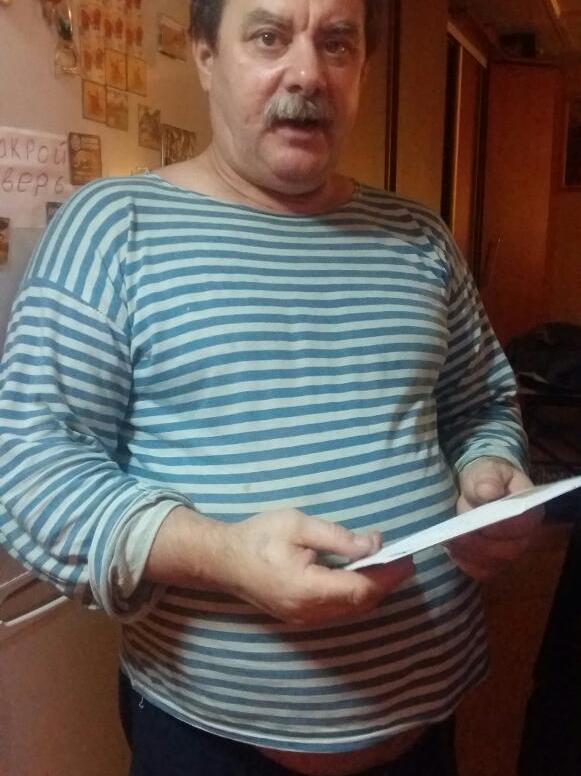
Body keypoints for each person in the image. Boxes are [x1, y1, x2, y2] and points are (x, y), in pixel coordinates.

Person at [0, 1, 541, 774]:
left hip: (426, 724)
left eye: (337, 43)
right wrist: (222, 555)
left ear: (361, 67)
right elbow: (29, 462)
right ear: (204, 56)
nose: (307, 73)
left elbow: (479, 403)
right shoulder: (113, 227)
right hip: (211, 742)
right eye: (267, 37)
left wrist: (489, 468)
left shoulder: (418, 236)